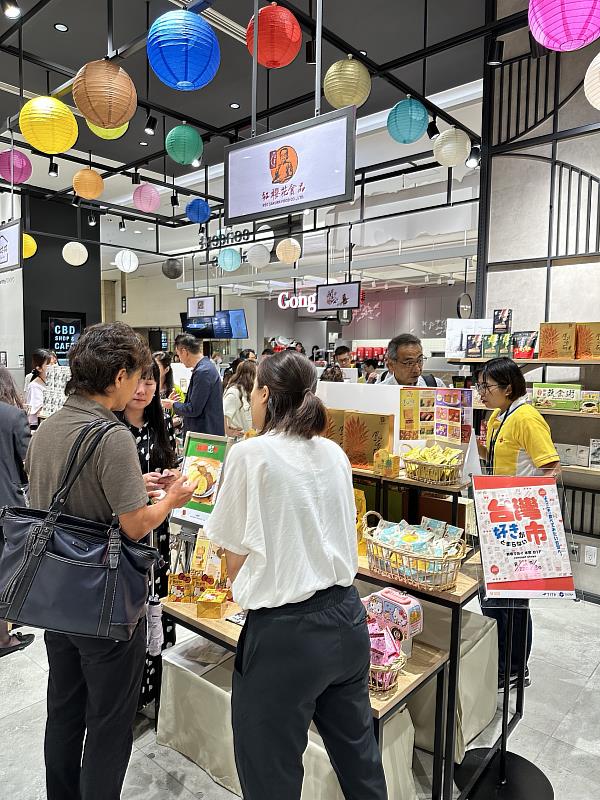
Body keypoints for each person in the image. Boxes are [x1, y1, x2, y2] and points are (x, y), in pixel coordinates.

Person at [25, 322, 197, 800]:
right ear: (120, 375)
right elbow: (136, 526)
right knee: (109, 722)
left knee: (64, 710)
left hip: (56, 600)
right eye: (137, 375)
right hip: (103, 604)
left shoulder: (51, 427)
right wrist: (173, 497)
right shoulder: (112, 433)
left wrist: (138, 487)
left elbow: (67, 499)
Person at [205, 351, 388, 800]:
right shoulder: (333, 452)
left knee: (270, 775)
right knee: (360, 761)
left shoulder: (250, 454)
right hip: (347, 621)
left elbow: (232, 561)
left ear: (265, 393)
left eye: (253, 393)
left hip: (285, 639)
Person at [477, 357, 560, 691]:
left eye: (487, 386)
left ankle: (514, 667)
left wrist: (532, 510)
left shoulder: (527, 417)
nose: (481, 392)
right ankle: (500, 663)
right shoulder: (499, 416)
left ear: (508, 387)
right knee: (493, 598)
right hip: (497, 514)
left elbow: (551, 467)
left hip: (519, 521)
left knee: (512, 601)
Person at [117, 360, 179, 708]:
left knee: (160, 600)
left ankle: (157, 690)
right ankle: (132, 694)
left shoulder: (161, 422)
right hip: (128, 531)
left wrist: (169, 479)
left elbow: (170, 463)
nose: (142, 391)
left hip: (160, 527)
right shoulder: (112, 428)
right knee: (133, 606)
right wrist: (137, 486)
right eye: (137, 383)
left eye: (150, 383)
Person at [0, 366, 34, 658]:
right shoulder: (12, 416)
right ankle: (2, 637)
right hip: (5, 505)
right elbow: (29, 461)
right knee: (5, 568)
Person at [162, 334, 225, 437]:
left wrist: (172, 404)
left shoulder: (203, 372)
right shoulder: (205, 367)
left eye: (178, 355)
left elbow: (193, 409)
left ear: (184, 351)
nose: (180, 360)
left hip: (204, 435)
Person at [377, 334, 444, 387]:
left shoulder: (436, 386)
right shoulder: (380, 391)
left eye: (420, 361)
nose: (417, 370)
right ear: (391, 365)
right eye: (409, 363)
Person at [223, 360, 257, 437]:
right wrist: (229, 432)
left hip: (248, 439)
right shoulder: (234, 392)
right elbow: (223, 415)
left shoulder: (248, 392)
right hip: (237, 441)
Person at [25, 348, 52, 429]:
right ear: (39, 368)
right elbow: (36, 410)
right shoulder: (34, 386)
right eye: (49, 365)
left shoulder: (50, 382)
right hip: (37, 426)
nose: (54, 367)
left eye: (55, 363)